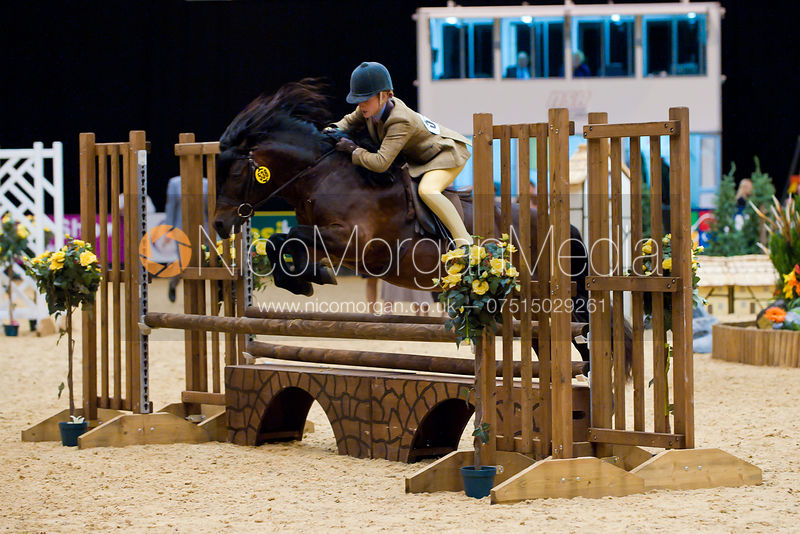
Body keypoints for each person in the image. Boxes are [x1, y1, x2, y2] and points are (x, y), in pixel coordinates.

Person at [328, 61, 473, 247]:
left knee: (427, 190)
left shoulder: (400, 120)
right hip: (421, 159)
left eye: (365, 99)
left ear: (384, 96)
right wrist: (328, 131)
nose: (361, 104)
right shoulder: (369, 108)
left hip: (446, 154)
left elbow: (381, 163)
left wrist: (354, 150)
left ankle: (464, 242)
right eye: (358, 100)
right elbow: (347, 122)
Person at [164, 175, 208, 302]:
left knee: (204, 259)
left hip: (203, 228)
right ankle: (173, 282)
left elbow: (209, 208)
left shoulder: (206, 183)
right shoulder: (174, 183)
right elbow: (171, 207)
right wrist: (168, 229)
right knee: (185, 261)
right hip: (181, 228)